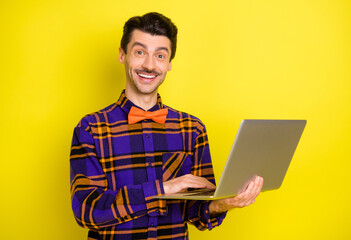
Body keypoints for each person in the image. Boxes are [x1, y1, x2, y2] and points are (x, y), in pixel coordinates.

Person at [70, 12, 263, 240]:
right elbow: (88, 211)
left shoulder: (192, 129)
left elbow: (194, 211)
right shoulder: (90, 129)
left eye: (160, 56)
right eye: (140, 52)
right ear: (123, 55)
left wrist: (223, 203)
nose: (149, 65)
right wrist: (163, 188)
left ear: (169, 63)